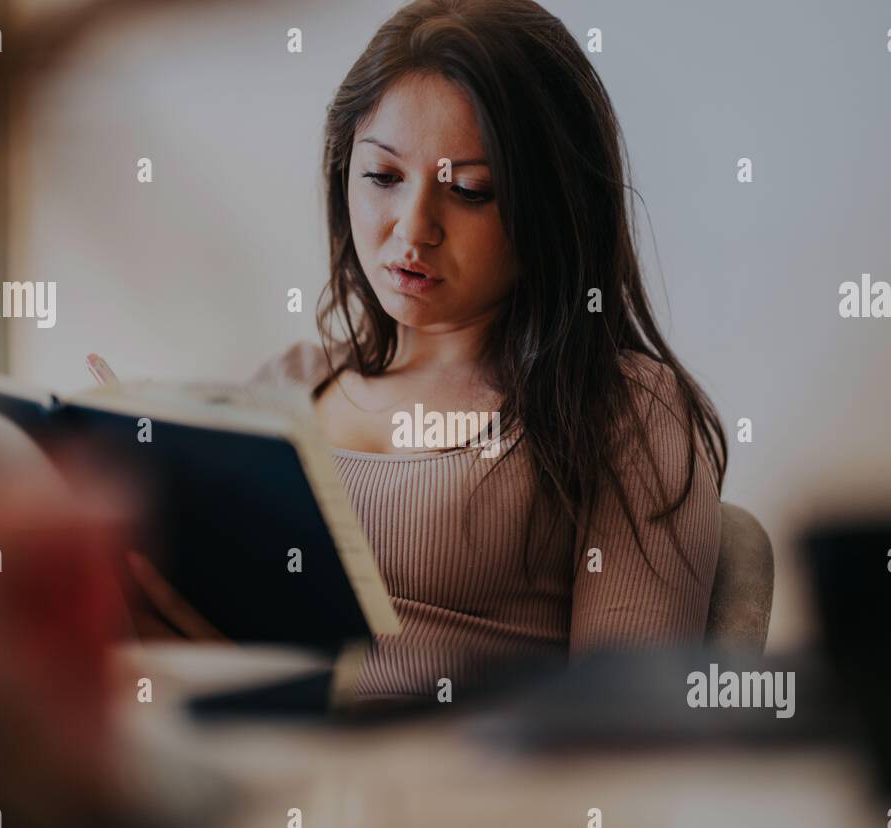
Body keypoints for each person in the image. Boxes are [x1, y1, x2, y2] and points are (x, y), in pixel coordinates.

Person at [134, 0, 728, 699]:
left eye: (470, 192)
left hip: (461, 803)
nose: (413, 230)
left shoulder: (626, 410)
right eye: (384, 178)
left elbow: (628, 724)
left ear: (552, 208)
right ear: (341, 171)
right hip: (244, 783)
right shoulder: (284, 387)